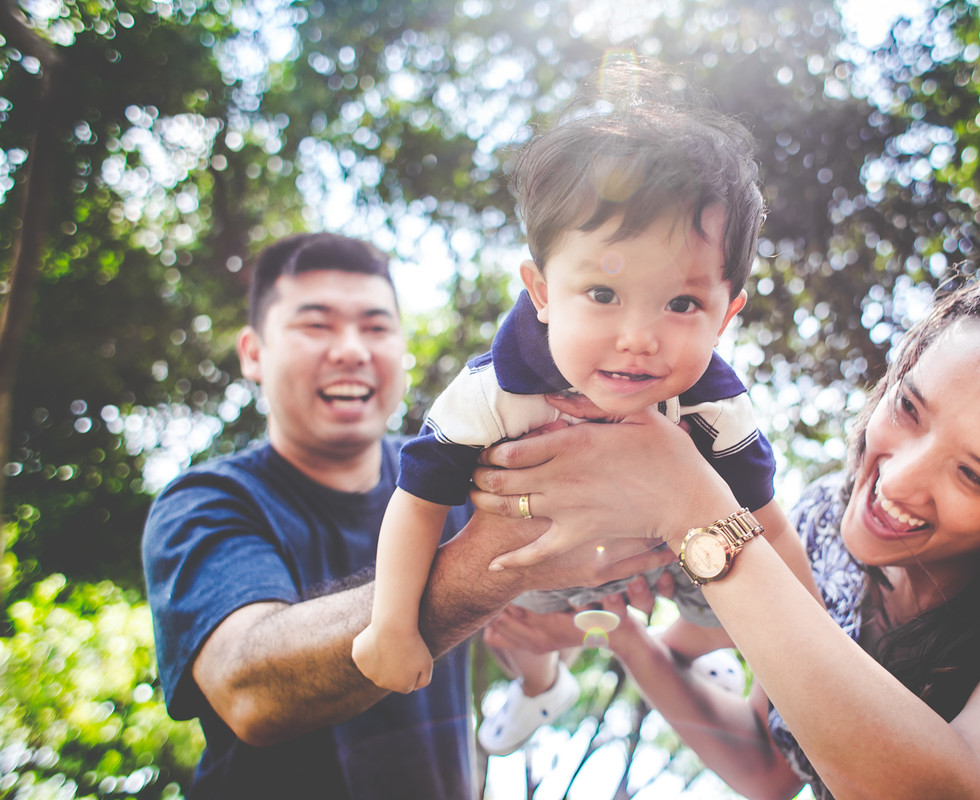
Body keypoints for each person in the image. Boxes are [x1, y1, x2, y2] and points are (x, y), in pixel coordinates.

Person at [472, 260, 980, 799]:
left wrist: (696, 506)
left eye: (975, 476)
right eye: (909, 409)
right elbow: (764, 767)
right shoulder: (822, 522)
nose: (898, 480)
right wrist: (623, 635)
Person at [350, 58, 807, 758]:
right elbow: (417, 502)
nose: (638, 339)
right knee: (504, 621)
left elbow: (769, 530)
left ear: (727, 315)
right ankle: (541, 686)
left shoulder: (715, 406)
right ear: (540, 289)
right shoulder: (492, 393)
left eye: (682, 303)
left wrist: (814, 649)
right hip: (533, 567)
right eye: (602, 294)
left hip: (659, 563)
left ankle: (689, 648)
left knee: (727, 576)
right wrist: (390, 624)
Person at [141, 232, 669, 800]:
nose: (351, 350)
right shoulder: (207, 501)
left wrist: (587, 594)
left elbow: (539, 628)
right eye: (315, 326)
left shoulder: (472, 471)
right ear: (252, 352)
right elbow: (246, 689)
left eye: (375, 327)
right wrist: (499, 563)